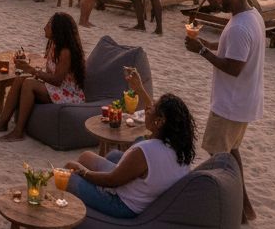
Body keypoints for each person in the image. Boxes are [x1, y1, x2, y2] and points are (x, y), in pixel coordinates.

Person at [185, 0, 263, 223]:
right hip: (243, 101)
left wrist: (202, 51)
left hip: (230, 104)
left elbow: (234, 67)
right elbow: (234, 50)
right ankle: (245, 208)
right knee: (231, 152)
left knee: (219, 158)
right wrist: (209, 44)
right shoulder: (252, 16)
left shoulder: (240, 26)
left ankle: (236, 211)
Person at [65, 92, 196, 217]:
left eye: (152, 108)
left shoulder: (145, 151)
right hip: (142, 193)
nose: (147, 110)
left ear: (160, 121)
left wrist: (85, 173)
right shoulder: (180, 150)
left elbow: (112, 181)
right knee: (86, 157)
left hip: (123, 204)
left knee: (69, 173)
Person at [0, 12, 86, 141]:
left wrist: (32, 71)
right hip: (55, 87)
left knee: (29, 84)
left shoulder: (65, 52)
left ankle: (18, 132)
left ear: (58, 30)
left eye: (48, 26)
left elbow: (57, 80)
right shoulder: (53, 44)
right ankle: (2, 124)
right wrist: (26, 65)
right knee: (19, 80)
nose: (44, 28)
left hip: (67, 93)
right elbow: (49, 71)